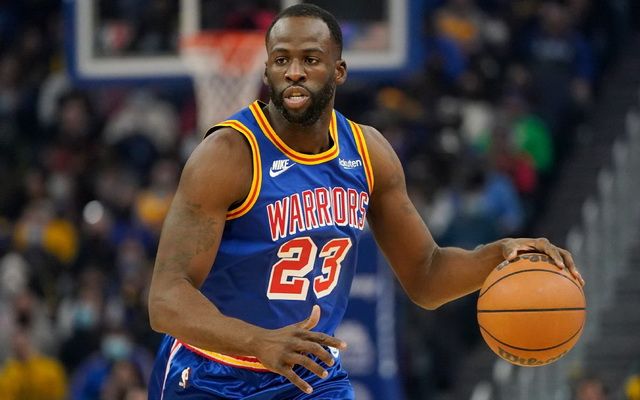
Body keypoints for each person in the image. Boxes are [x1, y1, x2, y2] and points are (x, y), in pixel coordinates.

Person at [147, 4, 584, 399]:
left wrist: (497, 256)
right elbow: (166, 299)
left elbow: (427, 276)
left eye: (310, 59)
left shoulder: (367, 152)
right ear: (266, 71)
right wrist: (259, 341)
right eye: (281, 60)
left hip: (310, 378)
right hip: (210, 375)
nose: (294, 71)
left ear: (338, 70)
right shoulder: (228, 154)